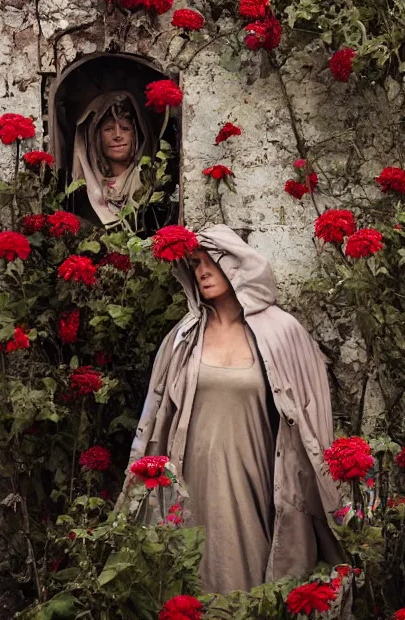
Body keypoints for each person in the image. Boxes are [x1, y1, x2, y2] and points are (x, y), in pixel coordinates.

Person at [125, 225, 342, 594]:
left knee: (256, 575)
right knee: (192, 569)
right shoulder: (183, 336)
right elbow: (157, 418)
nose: (203, 271)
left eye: (215, 262)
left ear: (240, 266)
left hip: (257, 477)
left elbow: (310, 423)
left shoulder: (282, 332)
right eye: (196, 264)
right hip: (193, 477)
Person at [67, 90, 178, 233]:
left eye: (125, 128)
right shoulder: (83, 194)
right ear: (96, 137)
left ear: (137, 134)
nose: (117, 136)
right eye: (109, 129)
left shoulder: (156, 185)